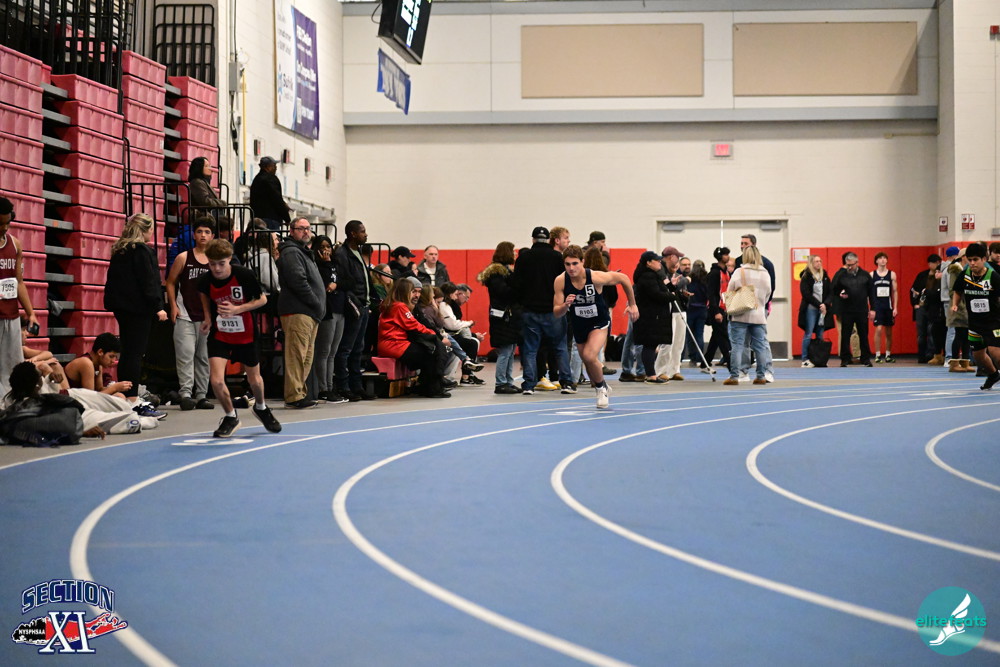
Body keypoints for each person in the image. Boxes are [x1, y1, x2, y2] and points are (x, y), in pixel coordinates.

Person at [197, 239, 281, 437]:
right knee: (216, 380)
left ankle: (261, 407)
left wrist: (238, 309)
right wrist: (207, 318)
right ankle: (230, 416)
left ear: (229, 259)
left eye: (221, 263)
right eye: (212, 264)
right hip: (220, 334)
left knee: (255, 380)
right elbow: (204, 295)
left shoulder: (244, 275)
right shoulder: (205, 280)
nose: (217, 269)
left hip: (246, 334)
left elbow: (262, 299)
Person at [554, 245, 637, 409]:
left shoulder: (595, 277)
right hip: (579, 325)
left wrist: (633, 304)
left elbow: (623, 278)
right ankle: (602, 384)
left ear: (582, 262)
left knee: (589, 355)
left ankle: (601, 389)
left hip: (599, 322)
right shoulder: (560, 281)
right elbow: (557, 312)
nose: (571, 268)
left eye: (575, 263)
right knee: (588, 360)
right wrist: (565, 305)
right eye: (567, 264)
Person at [104, 213, 167, 400]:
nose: (152, 234)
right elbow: (148, 281)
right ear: (145, 230)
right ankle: (132, 397)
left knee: (127, 352)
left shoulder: (120, 249)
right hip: (138, 309)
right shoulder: (142, 251)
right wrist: (158, 306)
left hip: (121, 307)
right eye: (152, 230)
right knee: (135, 353)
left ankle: (125, 393)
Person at [513, 227, 572, 394]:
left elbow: (517, 284)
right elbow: (565, 281)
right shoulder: (557, 257)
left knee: (530, 349)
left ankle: (529, 384)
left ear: (533, 239)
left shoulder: (524, 258)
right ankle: (566, 382)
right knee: (560, 348)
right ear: (548, 240)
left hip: (530, 309)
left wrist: (522, 302)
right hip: (553, 310)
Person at [165, 216, 216, 410]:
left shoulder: (215, 260)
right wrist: (173, 306)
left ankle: (202, 395)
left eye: (207, 232)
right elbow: (170, 282)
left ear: (212, 236)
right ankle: (186, 393)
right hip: (185, 313)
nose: (203, 235)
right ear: (194, 235)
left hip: (206, 317)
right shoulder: (184, 257)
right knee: (185, 354)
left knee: (203, 357)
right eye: (200, 231)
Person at [277, 218, 325, 408]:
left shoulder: (302, 252)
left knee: (305, 357)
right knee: (296, 356)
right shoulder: (291, 252)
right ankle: (294, 396)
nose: (306, 232)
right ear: (291, 231)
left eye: (308, 228)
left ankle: (298, 393)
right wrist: (316, 302)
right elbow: (298, 281)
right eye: (301, 229)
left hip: (309, 312)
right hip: (298, 310)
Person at [377, 279, 452, 398]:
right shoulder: (400, 306)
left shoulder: (392, 304)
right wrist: (432, 334)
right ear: (405, 292)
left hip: (393, 344)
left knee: (431, 350)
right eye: (412, 292)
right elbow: (413, 325)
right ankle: (432, 388)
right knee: (431, 353)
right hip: (395, 345)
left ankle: (428, 386)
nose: (414, 295)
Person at [0, 196, 41, 397]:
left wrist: (31, 313)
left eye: (7, 223)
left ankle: (12, 403)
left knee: (12, 366)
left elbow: (19, 282)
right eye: (0, 223)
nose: (4, 227)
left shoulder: (15, 244)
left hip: (12, 316)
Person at [333, 220, 375, 401]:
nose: (366, 235)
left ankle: (357, 386)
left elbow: (364, 280)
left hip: (364, 305)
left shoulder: (357, 252)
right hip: (353, 306)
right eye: (362, 232)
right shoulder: (342, 254)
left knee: (358, 348)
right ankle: (344, 386)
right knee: (346, 349)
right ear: (352, 234)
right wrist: (356, 303)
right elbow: (346, 282)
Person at [723, 246, 774, 385]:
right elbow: (768, 294)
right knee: (760, 347)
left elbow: (730, 291)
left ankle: (735, 376)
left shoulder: (739, 272)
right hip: (759, 315)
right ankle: (761, 376)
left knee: (737, 346)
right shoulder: (765, 273)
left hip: (740, 314)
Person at [952, 243, 1000, 389]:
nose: (972, 263)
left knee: (995, 353)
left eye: (975, 260)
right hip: (974, 323)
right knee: (978, 357)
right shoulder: (965, 275)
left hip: (993, 322)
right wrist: (955, 304)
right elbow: (958, 291)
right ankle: (993, 375)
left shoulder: (993, 276)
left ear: (984, 259)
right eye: (970, 260)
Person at [308, 235, 348, 403]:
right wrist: (325, 263)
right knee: (323, 351)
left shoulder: (336, 264)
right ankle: (323, 388)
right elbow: (320, 284)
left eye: (328, 247)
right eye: (322, 247)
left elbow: (349, 281)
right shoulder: (316, 265)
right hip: (327, 312)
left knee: (333, 352)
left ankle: (330, 387)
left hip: (340, 310)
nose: (326, 250)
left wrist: (337, 284)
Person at [478, 242, 521, 394]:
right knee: (505, 351)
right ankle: (501, 382)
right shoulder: (497, 273)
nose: (515, 254)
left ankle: (508, 380)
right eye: (513, 251)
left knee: (510, 350)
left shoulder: (504, 271)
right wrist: (517, 286)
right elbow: (504, 292)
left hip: (507, 315)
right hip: (503, 317)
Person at [632, 251, 675, 384]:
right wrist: (671, 296)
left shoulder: (650, 275)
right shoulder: (648, 277)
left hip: (651, 315)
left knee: (650, 345)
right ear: (649, 263)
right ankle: (651, 375)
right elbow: (656, 294)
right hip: (651, 316)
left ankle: (650, 373)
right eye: (657, 260)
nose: (660, 263)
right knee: (650, 345)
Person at [830, 252, 874, 367]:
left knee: (863, 335)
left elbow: (872, 293)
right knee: (845, 335)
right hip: (847, 310)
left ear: (857, 263)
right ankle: (845, 359)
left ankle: (865, 358)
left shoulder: (865, 275)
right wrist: (840, 294)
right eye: (847, 265)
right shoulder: (842, 275)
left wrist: (873, 309)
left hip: (862, 310)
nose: (849, 267)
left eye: (851, 265)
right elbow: (834, 289)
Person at [654, 245, 687, 382]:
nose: (678, 261)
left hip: (679, 308)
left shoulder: (674, 270)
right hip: (667, 309)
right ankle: (661, 371)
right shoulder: (660, 270)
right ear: (671, 257)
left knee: (679, 342)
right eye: (677, 257)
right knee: (667, 342)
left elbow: (680, 283)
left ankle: (674, 370)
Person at [797, 255, 832, 367]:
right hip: (811, 308)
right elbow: (806, 294)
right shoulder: (806, 276)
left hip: (823, 308)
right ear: (811, 263)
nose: (819, 263)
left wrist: (825, 304)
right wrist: (819, 304)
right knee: (808, 333)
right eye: (816, 261)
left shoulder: (824, 275)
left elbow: (830, 291)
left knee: (820, 334)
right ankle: (805, 359)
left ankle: (819, 358)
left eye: (820, 261)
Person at [910, 253, 942, 363]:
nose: (936, 265)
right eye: (933, 263)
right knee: (921, 332)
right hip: (922, 306)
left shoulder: (940, 276)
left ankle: (931, 354)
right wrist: (915, 303)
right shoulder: (922, 275)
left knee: (931, 331)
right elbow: (913, 290)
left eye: (938, 263)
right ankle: (921, 355)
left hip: (933, 307)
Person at [945, 250, 973, 372]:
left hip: (967, 306)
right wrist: (958, 305)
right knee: (959, 335)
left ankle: (965, 361)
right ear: (963, 257)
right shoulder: (955, 270)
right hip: (959, 306)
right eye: (969, 257)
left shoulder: (968, 270)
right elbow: (953, 290)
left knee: (967, 336)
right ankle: (954, 362)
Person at [705, 246, 732, 368]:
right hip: (716, 308)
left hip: (724, 308)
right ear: (720, 257)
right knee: (723, 336)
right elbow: (711, 294)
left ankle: (706, 361)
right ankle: (730, 363)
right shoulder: (714, 273)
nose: (728, 256)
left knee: (716, 336)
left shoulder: (726, 272)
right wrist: (716, 311)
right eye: (725, 254)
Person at [870, 252, 898, 363]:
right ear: (876, 261)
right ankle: (877, 354)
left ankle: (888, 354)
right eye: (880, 258)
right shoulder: (872, 275)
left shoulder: (892, 274)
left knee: (889, 331)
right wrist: (870, 308)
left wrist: (895, 307)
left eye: (884, 258)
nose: (882, 260)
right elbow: (869, 292)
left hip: (888, 306)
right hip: (877, 306)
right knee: (878, 329)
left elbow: (895, 291)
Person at [249, 156, 291, 231]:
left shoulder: (256, 179)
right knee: (272, 237)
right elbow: (277, 200)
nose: (276, 168)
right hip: (271, 219)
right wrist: (287, 218)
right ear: (267, 167)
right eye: (274, 166)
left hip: (257, 219)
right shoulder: (271, 179)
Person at [685, 259, 710, 372]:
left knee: (690, 335)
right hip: (702, 308)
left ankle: (692, 357)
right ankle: (700, 358)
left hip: (690, 309)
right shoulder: (706, 279)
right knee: (699, 334)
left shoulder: (689, 278)